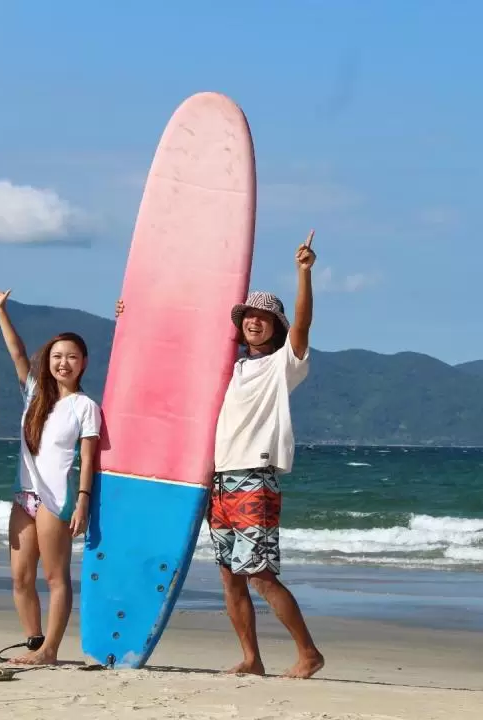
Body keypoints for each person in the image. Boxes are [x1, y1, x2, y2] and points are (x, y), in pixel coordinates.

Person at [114, 231, 324, 679]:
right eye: (249, 316)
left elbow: (303, 325)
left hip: (254, 476)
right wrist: (129, 320)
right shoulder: (227, 368)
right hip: (218, 481)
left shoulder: (281, 366)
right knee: (230, 577)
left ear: (277, 326)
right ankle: (252, 658)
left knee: (260, 575)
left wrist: (303, 274)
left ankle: (308, 652)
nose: (255, 322)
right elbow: (170, 351)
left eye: (265, 317)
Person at [0, 288, 101, 665]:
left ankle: (50, 650)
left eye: (71, 357)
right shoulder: (35, 394)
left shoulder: (86, 406)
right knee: (20, 579)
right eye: (57, 357)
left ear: (83, 362)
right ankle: (35, 643)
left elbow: (88, 458)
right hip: (25, 496)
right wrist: (1, 311)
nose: (63, 363)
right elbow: (17, 353)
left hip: (57, 499)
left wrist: (83, 499)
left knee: (56, 578)